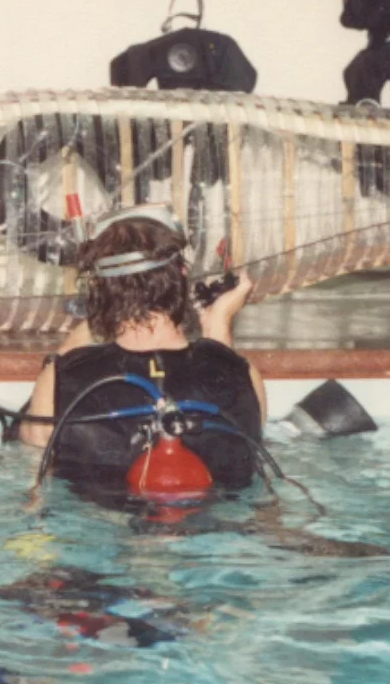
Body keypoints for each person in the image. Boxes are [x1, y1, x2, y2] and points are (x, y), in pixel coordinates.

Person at [17, 204, 266, 489]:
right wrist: (219, 322)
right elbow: (232, 420)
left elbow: (33, 444)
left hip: (98, 525)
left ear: (98, 289)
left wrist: (95, 315)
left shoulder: (62, 377)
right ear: (182, 274)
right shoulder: (244, 375)